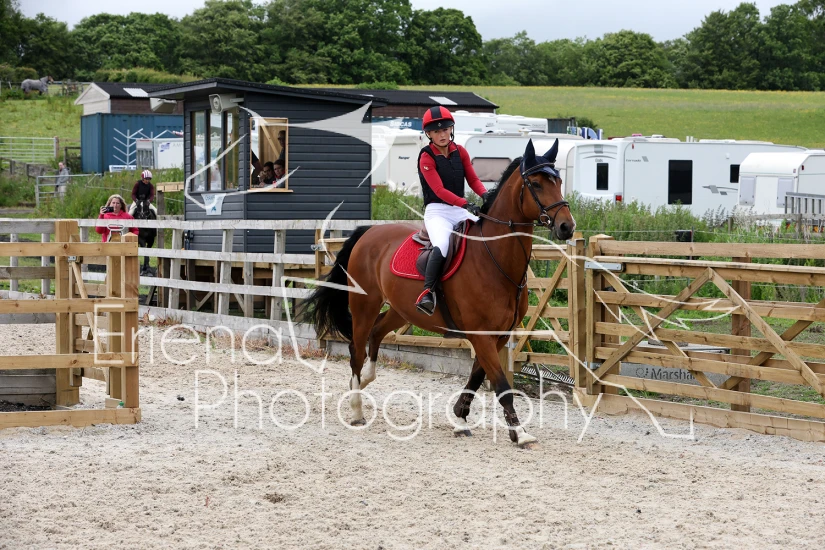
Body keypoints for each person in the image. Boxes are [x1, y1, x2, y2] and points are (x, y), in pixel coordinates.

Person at [414, 106, 488, 316]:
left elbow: (473, 179)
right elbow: (438, 190)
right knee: (442, 245)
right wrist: (465, 203)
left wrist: (485, 195)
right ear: (429, 134)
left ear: (451, 129)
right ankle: (427, 292)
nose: (442, 134)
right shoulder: (426, 157)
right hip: (438, 211)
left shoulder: (460, 151)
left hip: (459, 209)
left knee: (486, 232)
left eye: (445, 129)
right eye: (437, 131)